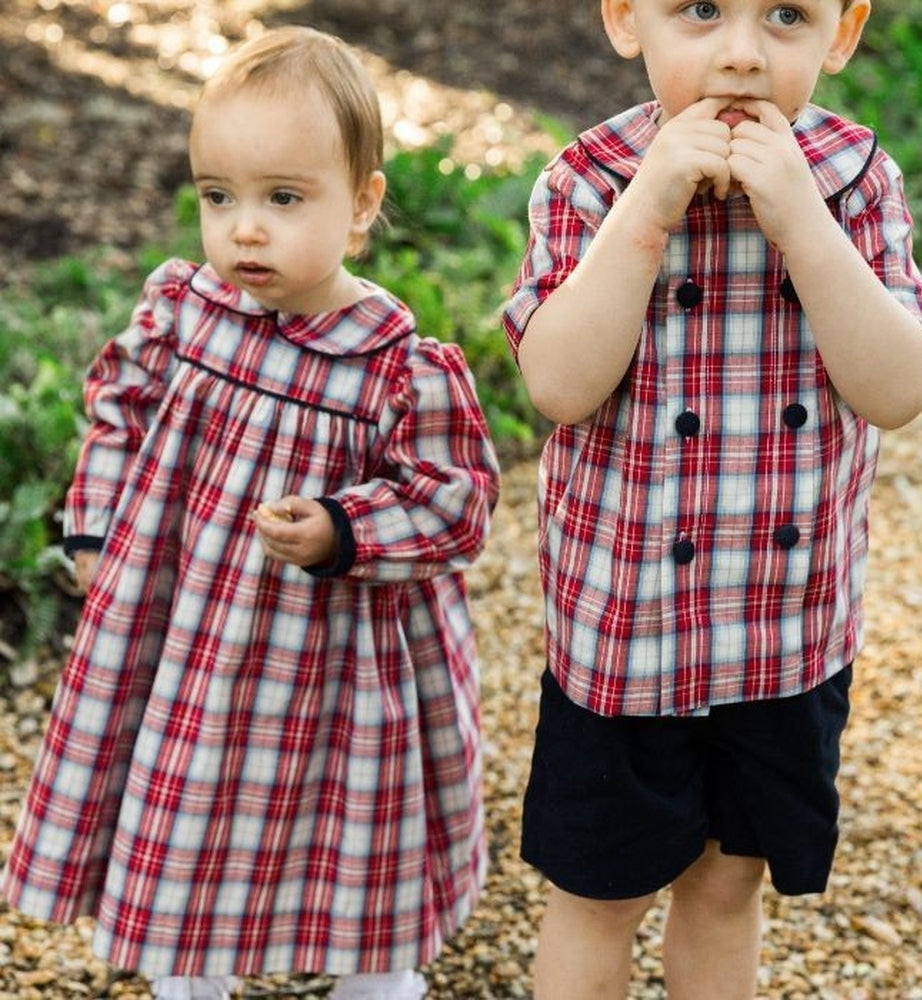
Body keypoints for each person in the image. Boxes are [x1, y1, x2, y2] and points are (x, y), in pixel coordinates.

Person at [1, 26, 500, 1000]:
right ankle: (191, 969)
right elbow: (119, 407)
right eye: (217, 197)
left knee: (356, 816)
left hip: (339, 667)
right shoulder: (182, 314)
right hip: (189, 637)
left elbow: (456, 502)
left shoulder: (394, 362)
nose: (244, 230)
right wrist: (97, 525)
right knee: (190, 793)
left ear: (362, 206)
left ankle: (375, 974)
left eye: (283, 198)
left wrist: (344, 527)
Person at [502, 1, 922, 997]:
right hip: (624, 639)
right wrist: (643, 218)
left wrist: (803, 225)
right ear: (627, 19)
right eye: (700, 10)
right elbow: (558, 387)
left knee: (726, 878)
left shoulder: (856, 181)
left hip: (782, 635)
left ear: (841, 33)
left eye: (786, 15)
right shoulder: (588, 181)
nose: (741, 54)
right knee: (596, 891)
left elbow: (898, 389)